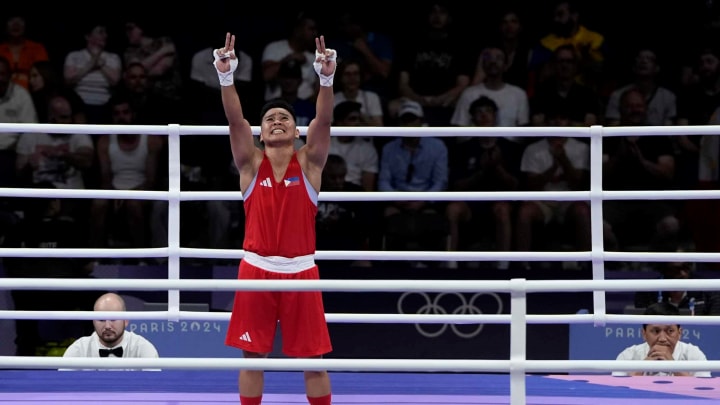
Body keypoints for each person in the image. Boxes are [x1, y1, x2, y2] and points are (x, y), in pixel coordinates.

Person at [214, 33, 335, 405]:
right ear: (261, 132)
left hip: (302, 271)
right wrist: (226, 76)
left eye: (284, 117)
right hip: (256, 269)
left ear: (297, 131)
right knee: (252, 357)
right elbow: (235, 119)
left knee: (313, 360)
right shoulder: (250, 164)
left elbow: (325, 119)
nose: (277, 121)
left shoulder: (310, 163)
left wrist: (327, 79)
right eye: (270, 119)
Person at [62, 292, 159, 370]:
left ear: (126, 321)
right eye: (101, 319)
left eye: (113, 319)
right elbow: (62, 388)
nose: (107, 326)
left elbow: (155, 388)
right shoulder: (78, 349)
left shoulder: (143, 348)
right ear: (93, 321)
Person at [612, 302, 711, 377]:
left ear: (679, 333)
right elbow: (617, 392)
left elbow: (704, 392)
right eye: (655, 331)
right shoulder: (628, 355)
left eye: (670, 331)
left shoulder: (693, 354)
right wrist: (642, 367)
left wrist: (674, 367)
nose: (662, 339)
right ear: (644, 334)